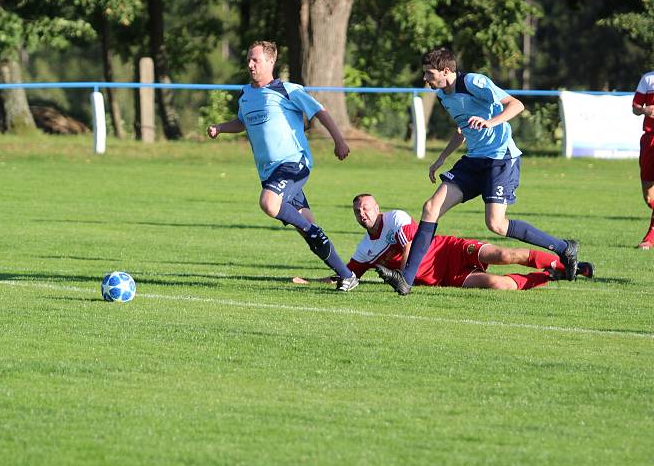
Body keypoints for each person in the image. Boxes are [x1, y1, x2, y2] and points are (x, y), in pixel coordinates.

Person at [382, 48, 579, 296]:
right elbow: (462, 130)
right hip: (474, 160)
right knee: (431, 207)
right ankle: (406, 280)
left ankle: (564, 248)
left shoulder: (474, 82)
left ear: (446, 71)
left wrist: (490, 122)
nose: (425, 79)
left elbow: (516, 105)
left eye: (429, 73)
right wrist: (441, 158)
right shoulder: (444, 95)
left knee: (496, 224)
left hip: (500, 159)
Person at [206, 40, 359, 291]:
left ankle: (319, 241)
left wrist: (339, 141)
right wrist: (221, 128)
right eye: (248, 59)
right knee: (308, 228)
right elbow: (243, 121)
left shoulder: (287, 90)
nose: (250, 64)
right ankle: (346, 275)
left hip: (293, 163)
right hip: (269, 172)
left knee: (269, 203)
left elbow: (320, 111)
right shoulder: (246, 94)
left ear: (271, 62)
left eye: (256, 60)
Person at [310, 193, 592, 291]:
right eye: (358, 211)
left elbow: (410, 245)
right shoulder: (365, 248)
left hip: (449, 250)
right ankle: (553, 275)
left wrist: (402, 275)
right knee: (498, 285)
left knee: (504, 255)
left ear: (377, 208)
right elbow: (346, 276)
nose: (363, 213)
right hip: (444, 278)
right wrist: (311, 282)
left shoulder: (395, 218)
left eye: (367, 208)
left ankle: (567, 265)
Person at [631, 70, 654, 250]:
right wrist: (644, 109)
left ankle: (650, 238)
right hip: (649, 139)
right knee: (649, 195)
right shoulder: (648, 79)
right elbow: (635, 107)